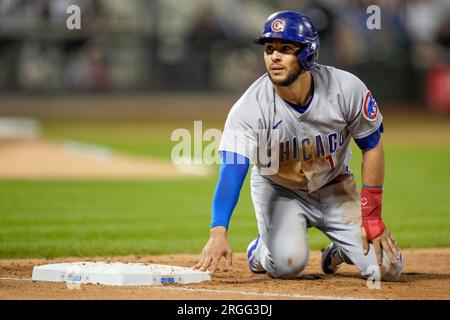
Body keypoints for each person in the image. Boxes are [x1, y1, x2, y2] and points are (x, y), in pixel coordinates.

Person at [193, 10, 403, 281]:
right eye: (269, 49)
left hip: (335, 186)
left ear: (308, 53)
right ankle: (259, 251)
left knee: (388, 268)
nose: (274, 57)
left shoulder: (346, 89)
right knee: (288, 265)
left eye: (286, 49)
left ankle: (338, 251)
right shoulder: (249, 108)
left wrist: (371, 216)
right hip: (280, 190)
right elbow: (232, 169)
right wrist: (217, 232)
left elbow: (372, 145)